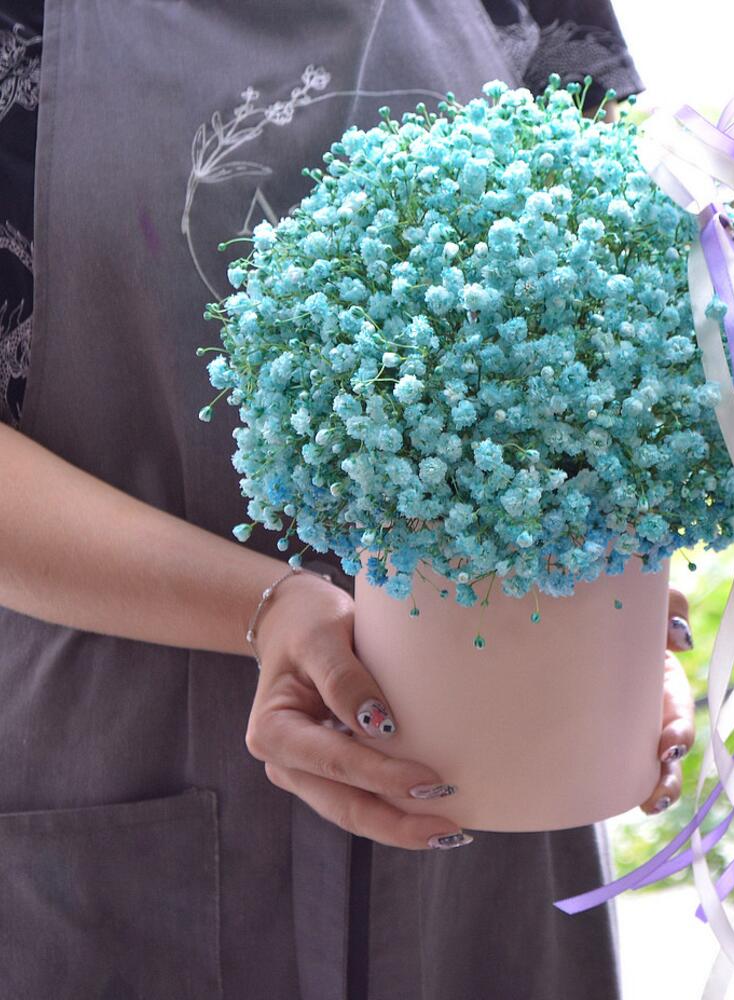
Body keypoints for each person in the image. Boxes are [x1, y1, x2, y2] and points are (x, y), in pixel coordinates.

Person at [0, 2, 696, 997]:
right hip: (113, 765)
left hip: (494, 760)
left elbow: (631, 294)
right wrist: (267, 607)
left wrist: (614, 608)